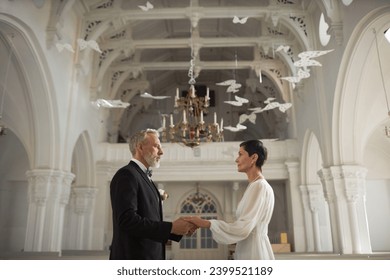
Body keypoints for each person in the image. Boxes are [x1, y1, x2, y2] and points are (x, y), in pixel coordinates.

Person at [109, 128, 197, 260]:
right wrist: (171, 227)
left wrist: (177, 230)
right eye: (156, 146)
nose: (161, 152)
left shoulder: (142, 176)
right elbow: (127, 221)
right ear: (140, 147)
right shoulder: (127, 175)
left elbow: (148, 222)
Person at [185, 140, 275, 260]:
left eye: (240, 154)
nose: (236, 160)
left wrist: (206, 223)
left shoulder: (259, 186)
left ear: (253, 157)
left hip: (254, 252)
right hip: (250, 247)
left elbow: (243, 228)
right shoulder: (256, 186)